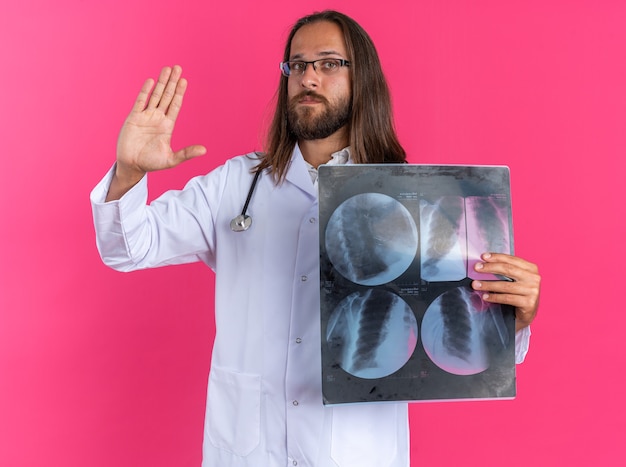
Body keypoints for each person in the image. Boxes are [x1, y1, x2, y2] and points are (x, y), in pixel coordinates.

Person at [90, 10, 541, 467]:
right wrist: (130, 172)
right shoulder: (235, 184)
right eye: (297, 65)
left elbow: (461, 334)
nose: (309, 77)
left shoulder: (416, 199)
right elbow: (129, 247)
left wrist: (512, 317)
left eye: (328, 63)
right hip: (248, 451)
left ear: (360, 78)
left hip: (357, 452)